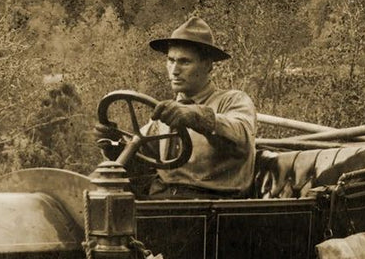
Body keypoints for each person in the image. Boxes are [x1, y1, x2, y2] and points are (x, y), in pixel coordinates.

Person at [96, 17, 257, 198]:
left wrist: (196, 116)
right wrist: (115, 145)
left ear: (207, 65)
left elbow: (241, 135)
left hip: (209, 206)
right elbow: (141, 162)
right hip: (162, 202)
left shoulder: (232, 100)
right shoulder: (166, 113)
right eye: (171, 60)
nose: (174, 70)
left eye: (185, 62)